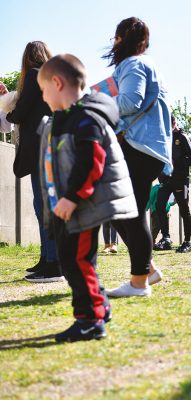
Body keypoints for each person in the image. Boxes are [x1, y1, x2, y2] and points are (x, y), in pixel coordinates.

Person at [36, 54, 138, 341]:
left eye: (44, 90)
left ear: (57, 83)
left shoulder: (85, 117)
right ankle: (99, 306)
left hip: (83, 204)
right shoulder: (67, 118)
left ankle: (90, 320)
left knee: (76, 261)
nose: (43, 98)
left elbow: (92, 160)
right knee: (77, 261)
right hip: (75, 206)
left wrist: (72, 197)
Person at [102, 17, 172, 297]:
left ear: (121, 38)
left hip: (138, 146)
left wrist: (97, 103)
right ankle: (147, 269)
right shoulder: (146, 64)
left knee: (130, 211)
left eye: (115, 38)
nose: (113, 43)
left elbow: (131, 101)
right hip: (149, 148)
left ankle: (139, 282)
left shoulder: (133, 64)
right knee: (119, 209)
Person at [0, 41, 62, 282]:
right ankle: (47, 258)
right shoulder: (49, 77)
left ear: (28, 58)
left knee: (44, 206)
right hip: (47, 146)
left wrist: (10, 112)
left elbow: (22, 110)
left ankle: (54, 264)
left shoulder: (37, 75)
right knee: (42, 205)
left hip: (41, 148)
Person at [154, 116, 191, 253]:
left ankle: (187, 241)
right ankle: (166, 238)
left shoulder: (182, 137)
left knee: (183, 208)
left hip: (180, 179)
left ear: (174, 123)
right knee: (159, 205)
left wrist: (177, 162)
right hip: (165, 179)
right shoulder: (162, 137)